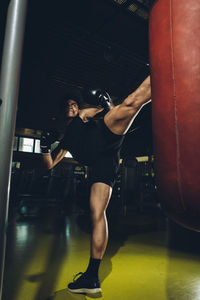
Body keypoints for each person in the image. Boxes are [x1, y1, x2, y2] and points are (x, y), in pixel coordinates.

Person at [40, 76, 151, 294]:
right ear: (63, 112)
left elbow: (103, 110)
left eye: (74, 104)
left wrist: (106, 102)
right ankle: (91, 277)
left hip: (106, 136)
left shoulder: (83, 115)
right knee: (96, 213)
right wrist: (44, 147)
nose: (72, 106)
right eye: (68, 105)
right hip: (102, 165)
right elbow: (49, 165)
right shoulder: (66, 141)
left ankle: (163, 71)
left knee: (130, 103)